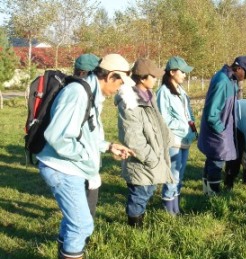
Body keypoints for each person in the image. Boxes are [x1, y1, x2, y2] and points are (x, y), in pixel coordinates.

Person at [37, 54, 135, 259]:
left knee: (76, 221)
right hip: (62, 168)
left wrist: (108, 146)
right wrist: (86, 156)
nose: (119, 88)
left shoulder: (91, 94)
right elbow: (57, 137)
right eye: (119, 82)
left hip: (72, 167)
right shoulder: (78, 94)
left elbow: (88, 134)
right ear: (110, 76)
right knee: (81, 223)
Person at [115, 58, 174, 227]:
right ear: (142, 78)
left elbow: (158, 122)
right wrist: (151, 158)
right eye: (153, 76)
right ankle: (134, 228)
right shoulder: (130, 102)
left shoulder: (149, 96)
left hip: (154, 154)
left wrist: (168, 140)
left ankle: (137, 222)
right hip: (142, 159)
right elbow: (132, 138)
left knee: (147, 190)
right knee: (139, 194)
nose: (156, 79)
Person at [198, 55, 246, 195]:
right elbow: (212, 112)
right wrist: (221, 130)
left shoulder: (229, 80)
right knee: (216, 162)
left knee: (211, 159)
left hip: (222, 128)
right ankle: (213, 195)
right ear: (238, 68)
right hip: (217, 130)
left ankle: (207, 193)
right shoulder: (223, 81)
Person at [156, 56, 197, 215]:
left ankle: (176, 209)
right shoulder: (163, 92)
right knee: (173, 175)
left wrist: (192, 128)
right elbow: (164, 118)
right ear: (172, 72)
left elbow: (189, 114)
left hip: (185, 139)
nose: (185, 75)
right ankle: (169, 211)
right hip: (173, 139)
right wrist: (184, 126)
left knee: (180, 174)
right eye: (183, 72)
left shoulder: (181, 91)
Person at [73, 53, 101, 219]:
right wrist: (87, 158)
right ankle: (81, 235)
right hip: (81, 158)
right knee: (82, 208)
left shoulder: (80, 89)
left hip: (84, 156)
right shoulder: (80, 93)